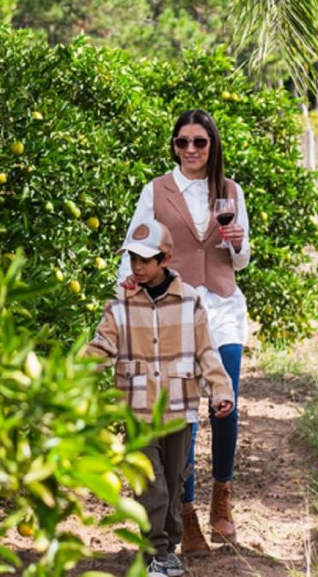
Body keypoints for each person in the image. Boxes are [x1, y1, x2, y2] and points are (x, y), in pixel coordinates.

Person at [119, 109, 249, 555]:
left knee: (225, 404)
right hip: (175, 313)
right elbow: (134, 243)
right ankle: (186, 513)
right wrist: (129, 288)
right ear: (173, 146)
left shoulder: (230, 191)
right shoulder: (155, 190)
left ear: (213, 145)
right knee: (184, 417)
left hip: (223, 307)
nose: (191, 150)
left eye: (200, 142)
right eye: (182, 142)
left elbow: (243, 257)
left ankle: (222, 496)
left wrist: (235, 240)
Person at [87, 218, 235, 577]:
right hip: (137, 409)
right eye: (132, 259)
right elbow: (102, 345)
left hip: (179, 408)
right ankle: (160, 551)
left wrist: (220, 389)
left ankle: (162, 552)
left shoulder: (189, 302)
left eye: (145, 259)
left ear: (165, 259)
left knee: (172, 481)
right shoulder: (121, 302)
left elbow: (206, 351)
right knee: (148, 483)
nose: (137, 267)